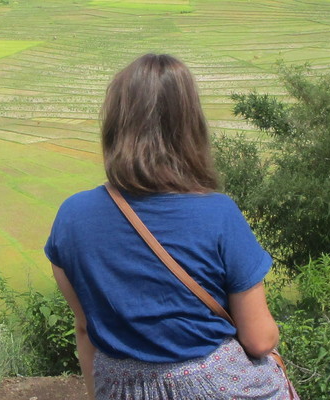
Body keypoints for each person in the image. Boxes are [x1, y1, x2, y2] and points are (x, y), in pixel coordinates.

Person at [45, 54, 292, 399]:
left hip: (119, 387)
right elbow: (260, 338)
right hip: (211, 386)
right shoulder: (218, 213)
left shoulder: (72, 216)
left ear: (116, 125)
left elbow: (86, 329)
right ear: (190, 126)